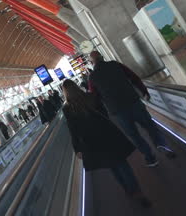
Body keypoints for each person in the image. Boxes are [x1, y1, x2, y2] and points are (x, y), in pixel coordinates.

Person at [62, 79, 151, 208]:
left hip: (92, 142)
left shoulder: (68, 109)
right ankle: (138, 193)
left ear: (65, 93)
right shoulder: (90, 96)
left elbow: (73, 130)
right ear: (76, 87)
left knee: (112, 166)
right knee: (123, 163)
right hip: (108, 134)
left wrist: (77, 149)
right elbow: (104, 113)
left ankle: (128, 190)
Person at [88, 51, 175, 167]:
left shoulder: (92, 77)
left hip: (118, 111)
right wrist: (144, 90)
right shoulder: (115, 65)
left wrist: (102, 114)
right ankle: (161, 144)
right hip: (133, 102)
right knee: (149, 125)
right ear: (102, 57)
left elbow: (94, 97)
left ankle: (150, 158)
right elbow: (134, 77)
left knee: (134, 135)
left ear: (91, 62)